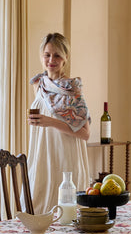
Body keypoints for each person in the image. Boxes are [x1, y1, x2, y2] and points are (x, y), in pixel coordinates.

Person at [27, 32, 91, 214]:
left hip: (65, 155)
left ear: (65, 58)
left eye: (57, 55)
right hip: (42, 153)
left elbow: (85, 134)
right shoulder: (38, 84)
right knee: (38, 204)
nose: (51, 60)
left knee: (65, 211)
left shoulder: (73, 90)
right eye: (47, 55)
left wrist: (50, 122)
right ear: (41, 56)